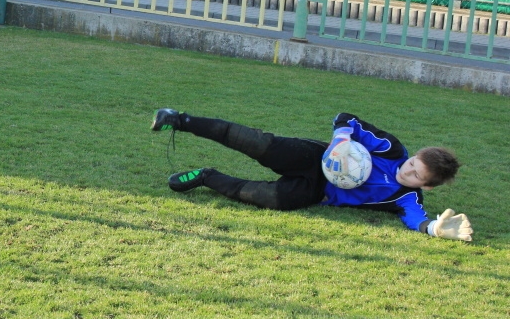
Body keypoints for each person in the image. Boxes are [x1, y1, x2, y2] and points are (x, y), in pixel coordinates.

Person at [151, 109, 473, 241]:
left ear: (427, 186)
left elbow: (415, 219)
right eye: (413, 163)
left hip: (317, 192)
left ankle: (206, 177)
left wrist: (434, 228)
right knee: (257, 143)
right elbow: (346, 117)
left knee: (271, 199)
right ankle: (179, 120)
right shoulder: (391, 149)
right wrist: (342, 140)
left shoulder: (406, 198)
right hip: (317, 157)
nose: (408, 170)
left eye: (416, 175)